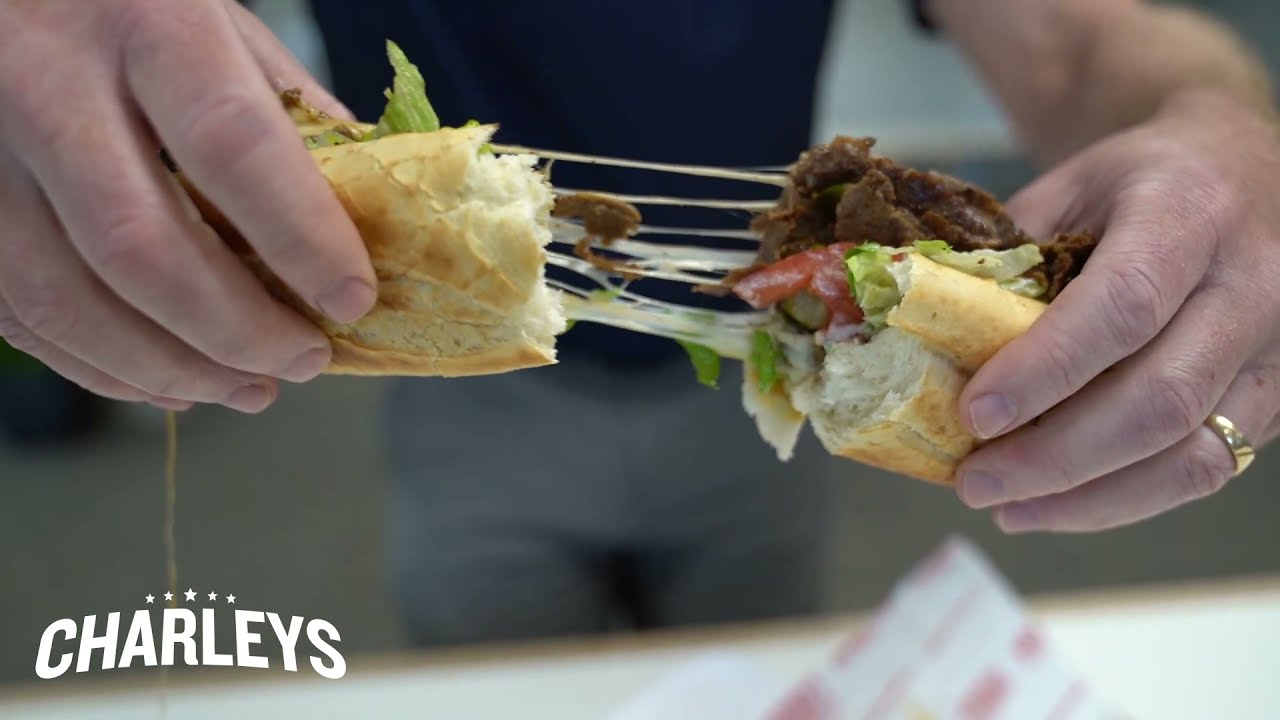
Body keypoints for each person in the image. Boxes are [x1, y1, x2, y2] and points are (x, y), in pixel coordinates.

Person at [0, 0, 1276, 645]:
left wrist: (1225, 126)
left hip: (757, 415)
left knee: (748, 668)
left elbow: (1072, 41)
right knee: (495, 677)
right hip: (463, 403)